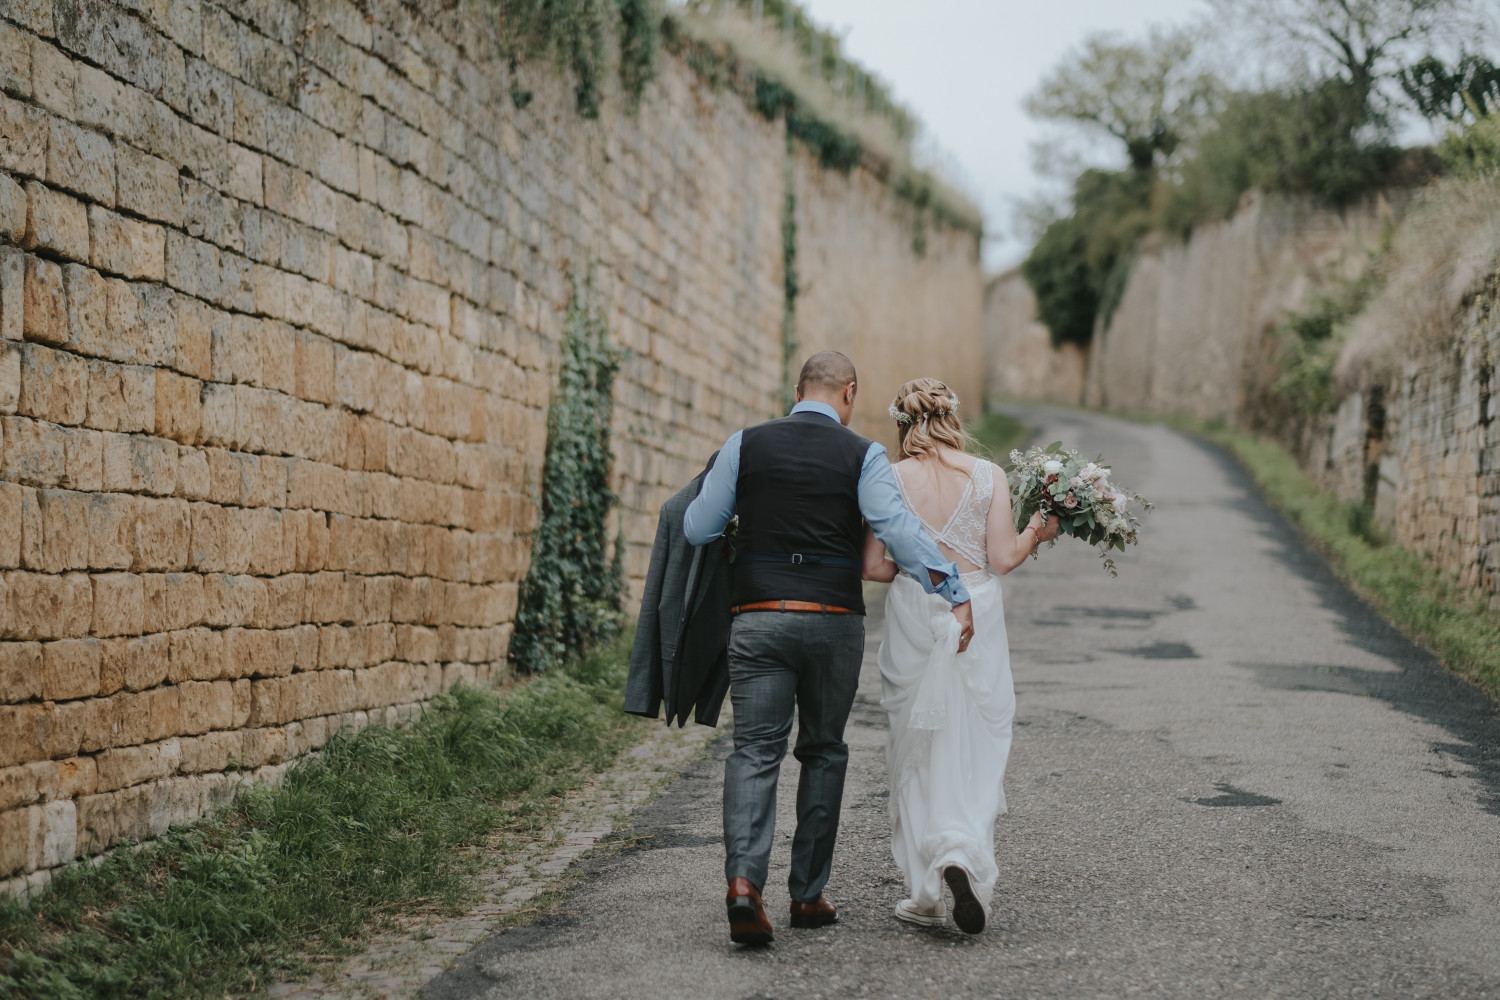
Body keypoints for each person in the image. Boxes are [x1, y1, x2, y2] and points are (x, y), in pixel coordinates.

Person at [683, 352, 974, 947]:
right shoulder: (862, 453)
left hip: (758, 619)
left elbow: (698, 527)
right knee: (822, 750)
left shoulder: (745, 444)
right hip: (832, 621)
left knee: (754, 752)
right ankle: (807, 894)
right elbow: (895, 528)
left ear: (796, 391)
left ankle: (743, 884)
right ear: (849, 393)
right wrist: (952, 587)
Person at [861, 378, 1059, 935]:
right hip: (976, 607)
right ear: (952, 416)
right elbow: (1001, 558)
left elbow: (874, 567)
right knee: (974, 735)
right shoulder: (987, 475)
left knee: (917, 738)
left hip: (911, 610)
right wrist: (1037, 531)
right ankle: (962, 852)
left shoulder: (890, 478)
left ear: (902, 423)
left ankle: (926, 891)